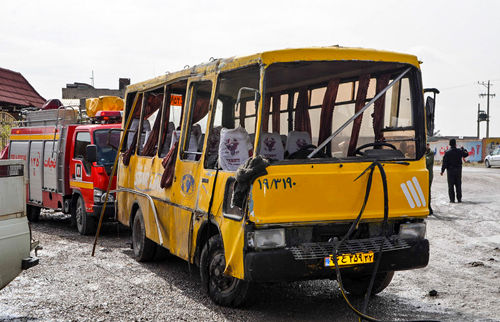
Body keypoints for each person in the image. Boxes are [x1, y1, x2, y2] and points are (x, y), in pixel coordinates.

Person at [425, 143, 435, 214]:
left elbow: (427, 162)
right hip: (423, 175)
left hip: (428, 176)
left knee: (427, 191)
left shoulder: (431, 153)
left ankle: (428, 206)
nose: (426, 145)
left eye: (427, 144)